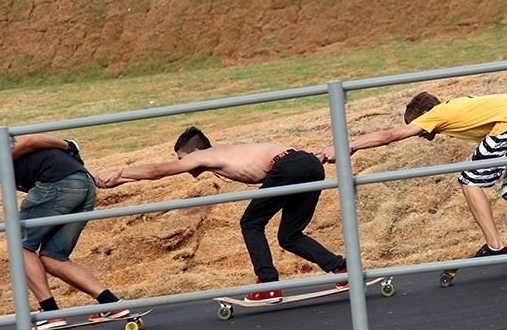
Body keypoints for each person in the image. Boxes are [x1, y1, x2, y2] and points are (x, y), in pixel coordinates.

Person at [95, 127, 347, 303]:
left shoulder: (202, 155)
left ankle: (268, 285)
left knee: (251, 223)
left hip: (288, 167)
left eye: (181, 159)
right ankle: (341, 268)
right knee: (289, 236)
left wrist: (120, 171)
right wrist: (120, 180)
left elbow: (158, 171)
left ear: (193, 151)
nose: (184, 166)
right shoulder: (227, 152)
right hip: (308, 163)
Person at [319, 91, 507, 259]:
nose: (421, 135)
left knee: (469, 181)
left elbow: (390, 135)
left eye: (418, 128)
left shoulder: (435, 115)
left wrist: (348, 146)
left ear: (423, 117)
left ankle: (495, 246)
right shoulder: (459, 105)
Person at [0, 135, 129, 330]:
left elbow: (29, 140)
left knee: (18, 245)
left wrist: (68, 145)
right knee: (53, 258)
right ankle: (110, 303)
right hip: (84, 186)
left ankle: (50, 313)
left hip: (60, 184)